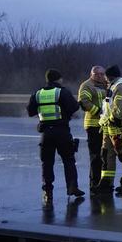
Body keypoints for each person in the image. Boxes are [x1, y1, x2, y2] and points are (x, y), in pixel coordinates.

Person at [27, 69, 84, 209]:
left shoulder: (38, 93)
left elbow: (30, 111)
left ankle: (48, 191)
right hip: (62, 131)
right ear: (59, 79)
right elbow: (74, 107)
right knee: (68, 160)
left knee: (47, 163)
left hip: (46, 133)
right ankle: (72, 187)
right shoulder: (62, 92)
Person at [97, 65, 122, 193]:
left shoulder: (120, 87)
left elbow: (119, 108)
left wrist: (113, 121)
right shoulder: (113, 85)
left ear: (109, 76)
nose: (104, 79)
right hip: (108, 127)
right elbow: (108, 107)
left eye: (105, 76)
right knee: (106, 156)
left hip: (117, 128)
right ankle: (106, 183)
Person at [77, 66, 107, 194]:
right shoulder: (87, 85)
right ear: (91, 74)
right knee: (95, 156)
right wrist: (99, 112)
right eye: (97, 74)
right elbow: (84, 102)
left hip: (106, 125)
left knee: (106, 156)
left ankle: (104, 183)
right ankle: (94, 184)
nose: (100, 76)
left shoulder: (106, 85)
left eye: (102, 74)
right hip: (93, 125)